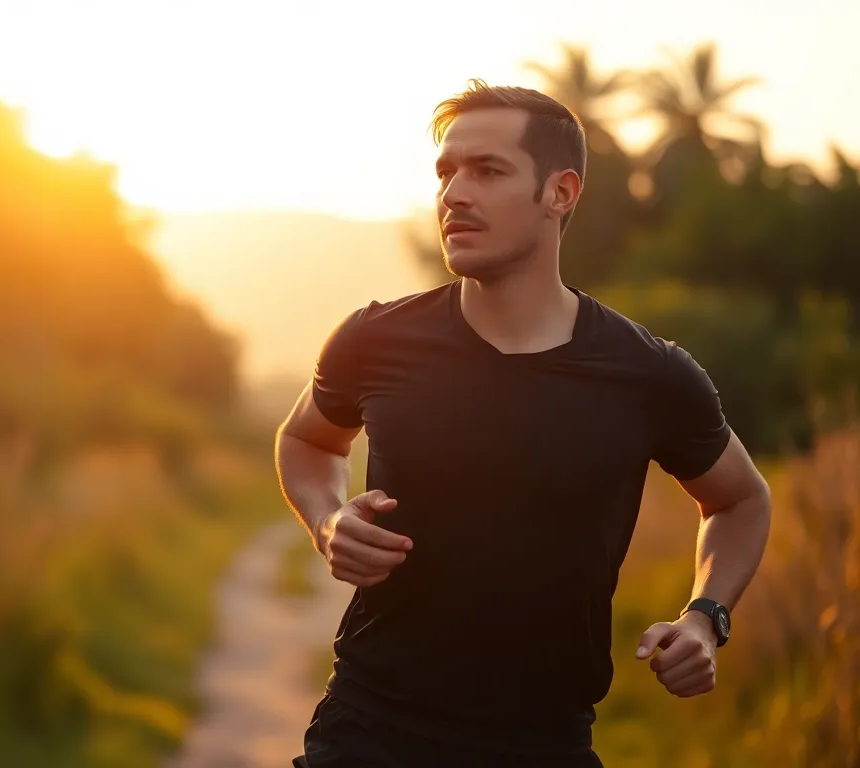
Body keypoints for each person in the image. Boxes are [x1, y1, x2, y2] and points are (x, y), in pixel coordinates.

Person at [276, 80, 773, 767]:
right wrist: (328, 520)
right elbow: (305, 439)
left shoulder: (649, 373)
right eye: (446, 172)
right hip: (369, 732)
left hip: (545, 746)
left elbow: (740, 498)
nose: (453, 194)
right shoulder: (374, 339)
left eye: (487, 170)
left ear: (559, 194)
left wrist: (705, 617)